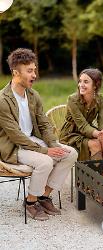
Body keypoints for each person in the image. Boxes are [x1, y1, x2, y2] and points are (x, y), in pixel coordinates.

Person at [0, 48, 78, 221]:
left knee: (70, 153)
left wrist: (53, 145)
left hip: (33, 141)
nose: (34, 74)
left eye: (34, 70)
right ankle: (30, 202)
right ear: (15, 73)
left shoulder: (33, 95)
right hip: (14, 147)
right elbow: (15, 136)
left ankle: (43, 196)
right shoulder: (3, 100)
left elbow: (44, 124)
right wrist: (45, 152)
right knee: (45, 161)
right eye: (29, 71)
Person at [60, 68, 103, 161]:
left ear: (95, 85)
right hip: (71, 134)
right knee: (95, 145)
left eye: (86, 82)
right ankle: (95, 174)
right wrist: (98, 134)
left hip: (88, 132)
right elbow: (82, 126)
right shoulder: (72, 100)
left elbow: (102, 123)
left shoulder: (100, 99)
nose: (81, 85)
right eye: (80, 81)